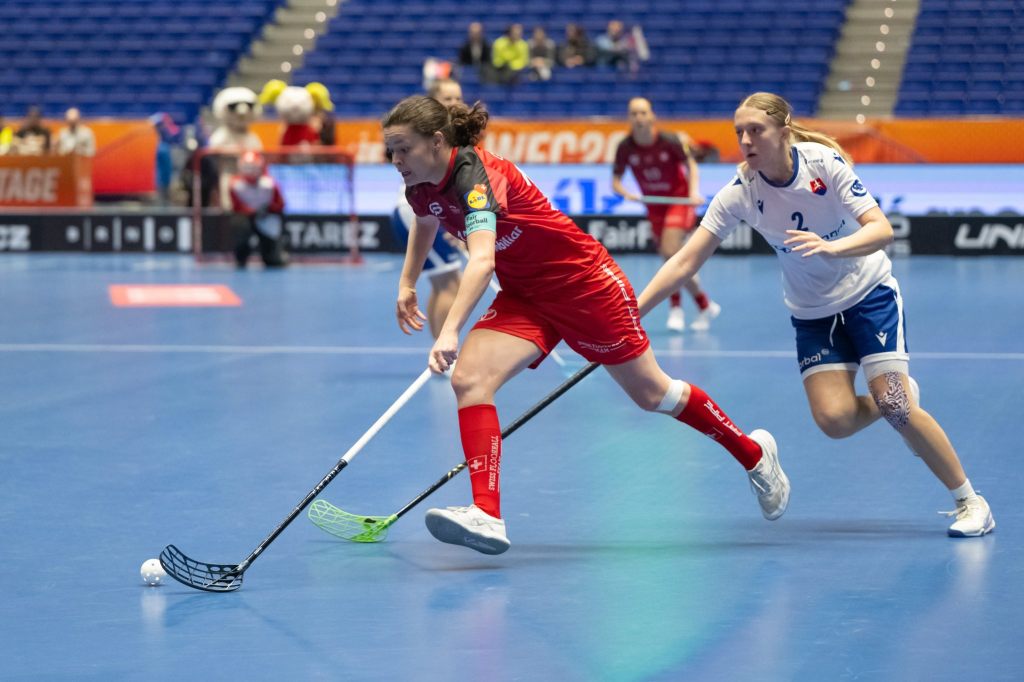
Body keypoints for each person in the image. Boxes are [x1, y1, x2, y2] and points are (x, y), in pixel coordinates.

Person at [385, 95, 790, 555]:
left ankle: (754, 454)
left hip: (584, 284)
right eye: (390, 151)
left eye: (403, 149)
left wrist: (450, 328)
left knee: (654, 394)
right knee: (470, 379)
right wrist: (407, 282)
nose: (395, 160)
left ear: (437, 142)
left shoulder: (476, 178)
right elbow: (426, 220)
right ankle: (487, 514)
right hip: (527, 295)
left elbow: (480, 261)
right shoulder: (418, 183)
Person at [636, 92, 995, 538]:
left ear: (783, 132)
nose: (745, 141)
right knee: (835, 421)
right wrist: (631, 312)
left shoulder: (823, 164)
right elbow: (685, 262)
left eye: (755, 131)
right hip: (812, 313)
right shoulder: (740, 194)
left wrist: (831, 247)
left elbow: (880, 229)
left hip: (869, 293)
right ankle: (892, 401)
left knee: (897, 405)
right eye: (739, 133)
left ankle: (970, 501)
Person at [612, 98, 719, 332]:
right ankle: (704, 303)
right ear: (629, 118)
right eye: (634, 113)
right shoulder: (625, 147)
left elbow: (690, 165)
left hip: (679, 201)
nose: (639, 117)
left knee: (671, 252)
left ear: (652, 116)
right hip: (654, 206)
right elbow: (616, 181)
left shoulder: (669, 141)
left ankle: (676, 308)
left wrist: (692, 191)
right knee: (672, 258)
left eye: (643, 113)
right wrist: (626, 193)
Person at [391, 79, 465, 337]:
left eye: (458, 97)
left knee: (444, 282)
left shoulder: (454, 133)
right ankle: (444, 354)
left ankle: (437, 351)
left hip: (433, 209)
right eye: (447, 98)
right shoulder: (431, 135)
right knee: (449, 284)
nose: (454, 103)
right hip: (418, 211)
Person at [229, 150, 287, 268]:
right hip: (247, 218)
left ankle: (275, 251)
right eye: (247, 167)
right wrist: (251, 212)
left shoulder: (270, 184)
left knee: (273, 261)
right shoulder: (235, 184)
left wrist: (268, 209)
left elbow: (280, 204)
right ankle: (241, 256)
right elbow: (236, 206)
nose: (250, 171)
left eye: (253, 168)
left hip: (267, 216)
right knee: (239, 225)